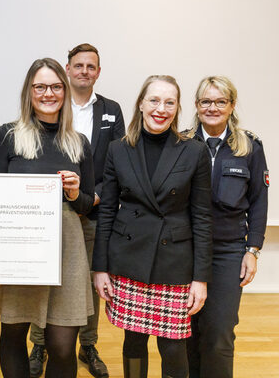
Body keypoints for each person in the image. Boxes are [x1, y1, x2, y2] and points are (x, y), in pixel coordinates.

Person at [0, 57, 95, 378]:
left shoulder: (79, 143)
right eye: (40, 86)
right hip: (18, 249)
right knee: (14, 333)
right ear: (29, 92)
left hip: (66, 252)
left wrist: (74, 193)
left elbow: (87, 205)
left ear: (65, 91)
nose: (48, 93)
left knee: (61, 346)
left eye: (56, 87)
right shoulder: (7, 136)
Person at [92, 75, 213, 378]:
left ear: (177, 107)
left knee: (173, 347)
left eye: (170, 102)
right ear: (142, 104)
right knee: (133, 341)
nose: (162, 108)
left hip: (173, 263)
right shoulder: (118, 150)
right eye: (155, 100)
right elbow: (106, 212)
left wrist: (201, 278)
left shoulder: (194, 151)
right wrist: (100, 268)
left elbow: (201, 217)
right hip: (129, 259)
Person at [28, 43, 124, 378]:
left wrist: (93, 197)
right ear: (67, 69)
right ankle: (39, 343)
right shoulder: (54, 104)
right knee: (43, 279)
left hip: (93, 212)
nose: (84, 71)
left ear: (98, 71)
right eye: (78, 65)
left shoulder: (111, 110)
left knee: (89, 284)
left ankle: (89, 345)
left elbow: (116, 164)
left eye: (91, 66)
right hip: (49, 217)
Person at [186, 76, 268, 378]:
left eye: (221, 101)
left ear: (231, 105)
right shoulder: (180, 143)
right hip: (186, 250)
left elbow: (259, 201)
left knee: (219, 331)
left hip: (227, 251)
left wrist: (252, 250)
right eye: (206, 101)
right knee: (185, 333)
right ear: (196, 105)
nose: (213, 107)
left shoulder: (249, 146)